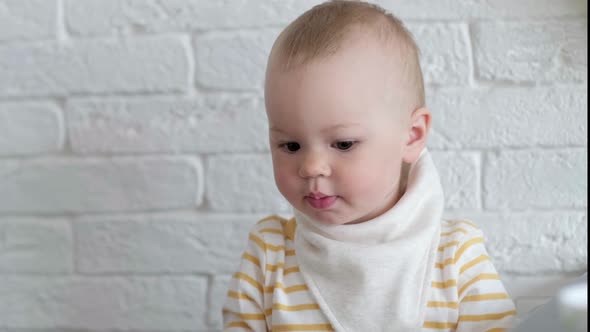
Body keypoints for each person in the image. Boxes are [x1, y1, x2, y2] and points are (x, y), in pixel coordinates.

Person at [223, 1, 516, 331]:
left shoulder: (455, 256)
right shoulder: (270, 251)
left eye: (344, 144)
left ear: (411, 136)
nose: (311, 167)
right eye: (291, 145)